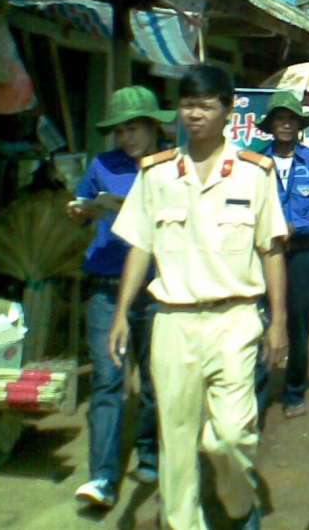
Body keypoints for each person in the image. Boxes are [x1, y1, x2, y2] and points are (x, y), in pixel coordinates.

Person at [109, 65, 289, 530]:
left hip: (235, 319)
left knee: (228, 437)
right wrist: (122, 314)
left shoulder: (254, 173)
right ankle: (182, 522)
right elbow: (140, 245)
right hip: (171, 320)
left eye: (206, 105)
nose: (195, 114)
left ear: (228, 111)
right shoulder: (157, 173)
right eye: (188, 104)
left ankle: (236, 503)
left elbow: (271, 248)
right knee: (177, 439)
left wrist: (279, 321)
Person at [68, 86, 175, 509]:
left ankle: (149, 450)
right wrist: (79, 212)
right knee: (107, 380)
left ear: (153, 127)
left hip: (154, 288)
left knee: (153, 377)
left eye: (134, 128)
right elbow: (80, 210)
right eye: (120, 131)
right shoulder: (101, 165)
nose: (127, 138)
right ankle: (102, 477)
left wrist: (129, 208)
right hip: (104, 288)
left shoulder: (171, 167)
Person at [254, 90, 309, 422]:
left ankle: (293, 391)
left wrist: (297, 225)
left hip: (302, 254)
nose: (286, 124)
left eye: (291, 119)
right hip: (262, 257)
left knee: (299, 322)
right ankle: (256, 396)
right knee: (260, 321)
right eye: (280, 118)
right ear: (271, 124)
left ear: (299, 124)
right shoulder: (255, 162)